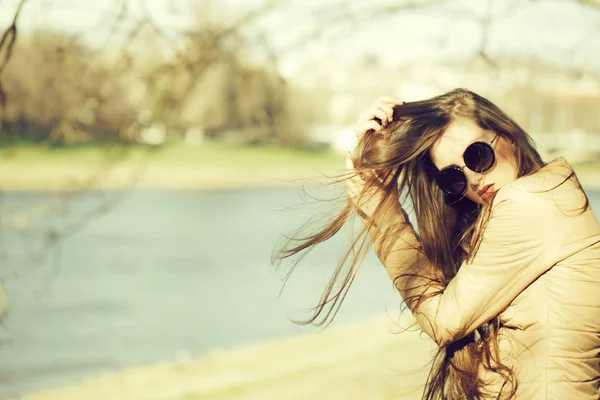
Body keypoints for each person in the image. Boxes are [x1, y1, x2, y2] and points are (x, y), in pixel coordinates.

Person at [275, 88, 600, 399]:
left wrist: (379, 206)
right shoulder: (546, 200)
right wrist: (377, 147)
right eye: (453, 177)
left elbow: (442, 320)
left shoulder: (530, 202)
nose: (473, 179)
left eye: (478, 155)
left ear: (509, 135)